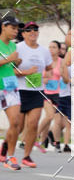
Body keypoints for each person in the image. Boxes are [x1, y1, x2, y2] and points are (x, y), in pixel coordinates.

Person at [13, 22, 53, 168]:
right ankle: (6, 148)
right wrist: (26, 73)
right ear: (23, 34)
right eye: (29, 30)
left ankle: (27, 156)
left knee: (33, 123)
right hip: (20, 90)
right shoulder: (18, 48)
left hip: (37, 91)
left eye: (35, 29)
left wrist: (47, 76)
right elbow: (10, 71)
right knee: (18, 126)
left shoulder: (44, 51)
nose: (33, 32)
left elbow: (49, 67)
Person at [0, 15, 23, 171]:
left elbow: (11, 67)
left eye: (17, 29)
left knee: (15, 122)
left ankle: (10, 156)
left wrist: (16, 63)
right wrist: (9, 59)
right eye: (13, 28)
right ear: (3, 26)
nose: (16, 31)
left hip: (10, 87)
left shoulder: (14, 47)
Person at [36, 40, 62, 152]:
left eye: (54, 47)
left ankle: (41, 142)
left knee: (49, 119)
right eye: (50, 47)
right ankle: (34, 137)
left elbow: (65, 77)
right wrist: (45, 79)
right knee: (50, 116)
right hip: (45, 92)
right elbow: (38, 77)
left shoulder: (62, 62)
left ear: (59, 50)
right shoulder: (45, 61)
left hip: (56, 93)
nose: (51, 49)